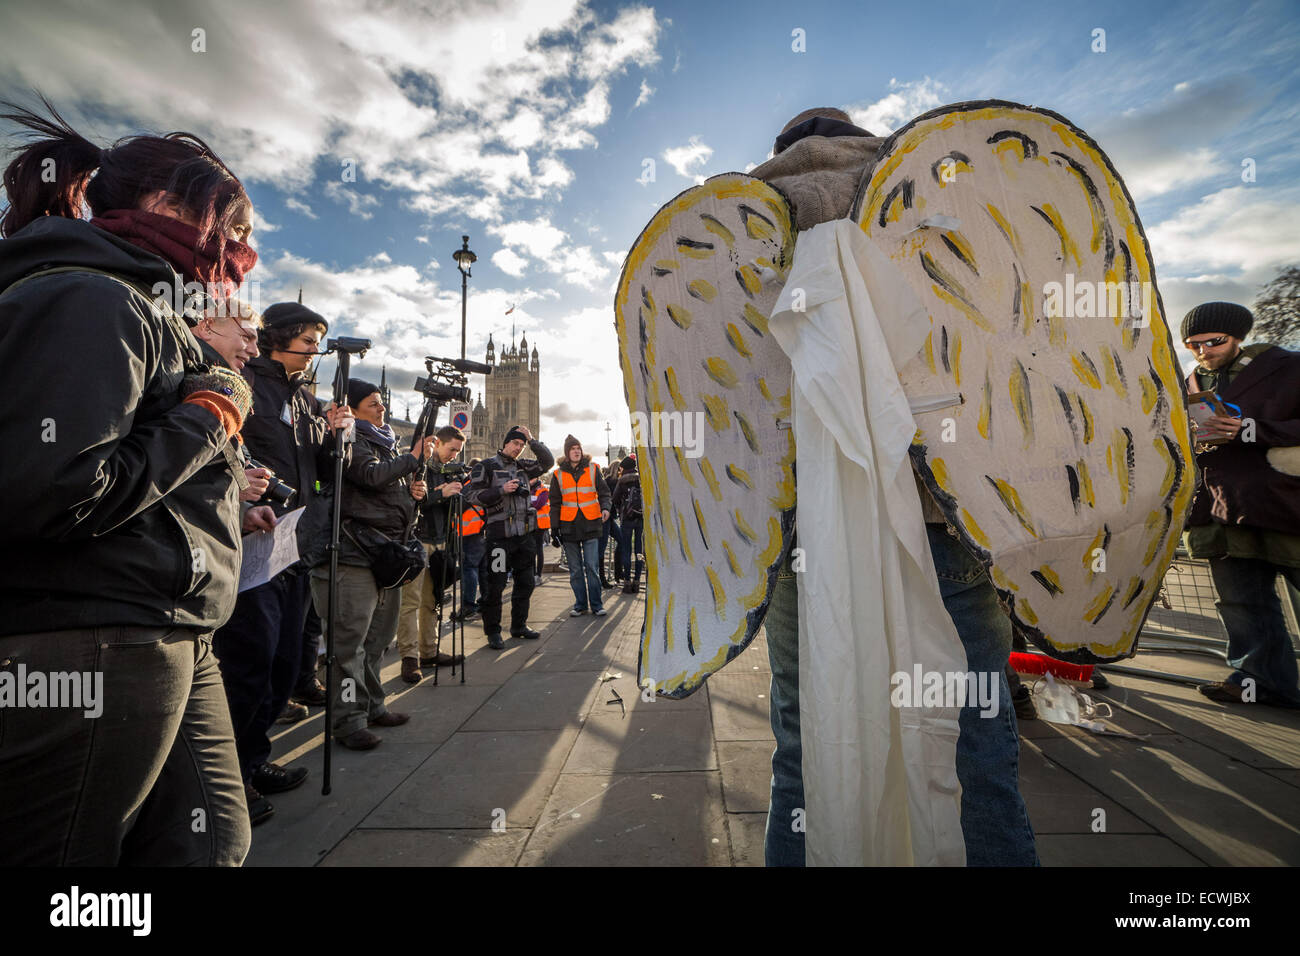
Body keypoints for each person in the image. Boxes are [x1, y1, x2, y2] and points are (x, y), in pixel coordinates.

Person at [751, 107, 1036, 866]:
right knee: (975, 745)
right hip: (943, 510)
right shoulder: (933, 199)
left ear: (777, 155)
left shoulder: (739, 231)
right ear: (864, 139)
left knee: (807, 747)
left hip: (796, 530)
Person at [0, 98, 257, 865]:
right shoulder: (89, 294)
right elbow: (52, 490)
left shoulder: (146, 305)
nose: (242, 254)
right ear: (166, 206)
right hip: (93, 636)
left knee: (208, 844)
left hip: (168, 624)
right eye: (234, 230)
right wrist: (213, 413)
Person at [211, 300, 353, 823]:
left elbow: (326, 473)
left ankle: (254, 758)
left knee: (286, 662)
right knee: (248, 662)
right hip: (251, 546)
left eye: (319, 341)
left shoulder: (306, 401)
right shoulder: (248, 385)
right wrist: (240, 500)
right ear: (280, 339)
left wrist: (337, 437)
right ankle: (226, 784)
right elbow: (220, 450)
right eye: (310, 340)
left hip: (294, 545)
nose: (316, 350)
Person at [1180, 302, 1300, 708]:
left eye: (1213, 341)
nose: (1202, 352)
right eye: (1192, 344)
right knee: (1241, 602)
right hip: (1220, 506)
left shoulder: (1289, 367)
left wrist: (1251, 429)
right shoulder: (1191, 381)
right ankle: (1259, 681)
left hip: (1283, 501)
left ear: (1239, 336)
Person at [308, 379, 431, 750]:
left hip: (384, 554)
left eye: (381, 403)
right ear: (354, 408)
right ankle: (348, 720)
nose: (381, 408)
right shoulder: (348, 439)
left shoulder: (384, 440)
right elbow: (369, 475)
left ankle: (373, 705)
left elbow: (385, 490)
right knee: (347, 648)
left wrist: (413, 494)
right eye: (374, 403)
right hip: (350, 555)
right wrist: (413, 457)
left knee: (378, 640)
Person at [463, 425, 554, 648]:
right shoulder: (487, 467)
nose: (518, 448)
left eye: (521, 446)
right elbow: (472, 495)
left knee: (525, 583)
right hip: (499, 539)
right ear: (504, 443)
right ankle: (493, 631)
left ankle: (519, 626)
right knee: (496, 585)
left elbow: (548, 462)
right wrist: (502, 490)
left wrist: (532, 440)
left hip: (524, 537)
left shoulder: (525, 466)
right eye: (515, 443)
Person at [398, 424, 468, 684]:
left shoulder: (448, 471)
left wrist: (459, 496)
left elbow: (455, 508)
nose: (455, 455)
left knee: (433, 601)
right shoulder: (416, 465)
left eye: (458, 451)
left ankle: (429, 651)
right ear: (438, 443)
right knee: (410, 603)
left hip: (440, 542)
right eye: (452, 449)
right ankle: (409, 658)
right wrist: (440, 493)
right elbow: (408, 502)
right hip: (416, 542)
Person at [550, 435, 612, 616]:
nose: (577, 451)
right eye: (572, 449)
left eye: (578, 448)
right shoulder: (558, 474)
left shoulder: (593, 469)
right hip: (568, 527)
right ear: (567, 453)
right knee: (576, 570)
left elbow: (604, 493)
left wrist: (606, 507)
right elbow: (554, 503)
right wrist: (554, 529)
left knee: (592, 567)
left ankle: (597, 605)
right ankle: (580, 605)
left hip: (591, 524)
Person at [452, 459, 486, 622]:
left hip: (470, 531)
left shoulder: (471, 483)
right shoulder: (482, 482)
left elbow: (460, 503)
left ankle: (468, 606)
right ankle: (484, 603)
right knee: (481, 569)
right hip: (479, 530)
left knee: (469, 568)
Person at [611, 455, 645, 594]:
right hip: (640, 518)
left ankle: (626, 582)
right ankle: (637, 581)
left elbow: (615, 499)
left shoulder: (622, 480)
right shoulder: (641, 479)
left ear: (624, 467)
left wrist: (621, 510)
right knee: (638, 550)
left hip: (627, 519)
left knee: (626, 550)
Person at [531, 476, 550, 581]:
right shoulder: (528, 490)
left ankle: (538, 574)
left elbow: (538, 504)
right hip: (530, 524)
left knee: (538, 549)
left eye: (531, 478)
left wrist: (530, 502)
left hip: (540, 524)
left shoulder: (543, 490)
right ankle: (532, 573)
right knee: (531, 550)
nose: (530, 480)